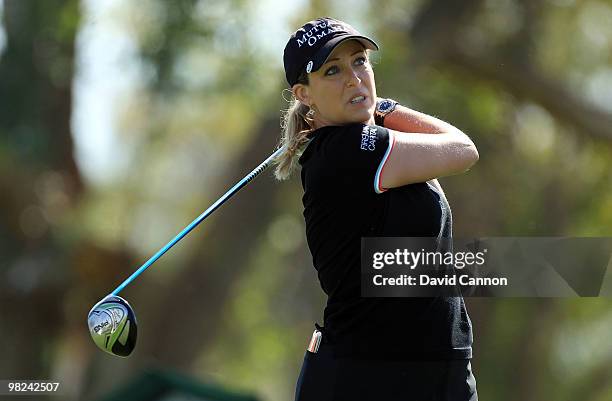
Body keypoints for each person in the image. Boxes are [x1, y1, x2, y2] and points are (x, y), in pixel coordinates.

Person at [274, 17, 479, 401]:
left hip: (439, 371)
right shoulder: (345, 152)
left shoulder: (367, 144)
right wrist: (385, 107)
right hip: (367, 375)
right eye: (332, 70)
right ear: (304, 94)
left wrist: (376, 108)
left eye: (359, 62)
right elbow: (463, 149)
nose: (353, 78)